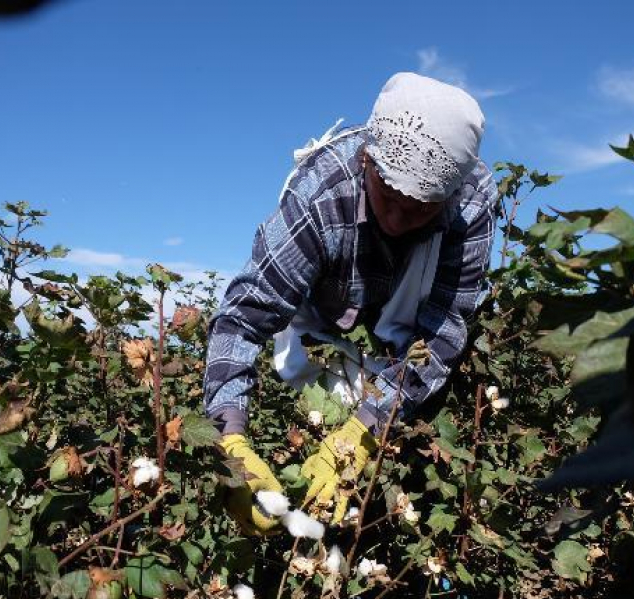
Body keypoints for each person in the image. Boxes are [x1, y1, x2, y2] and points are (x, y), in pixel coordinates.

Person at [203, 72, 498, 535]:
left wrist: (365, 429)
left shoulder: (471, 207)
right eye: (390, 197)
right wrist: (230, 434)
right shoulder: (320, 196)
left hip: (403, 344)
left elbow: (441, 332)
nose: (399, 220)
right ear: (367, 161)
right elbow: (243, 318)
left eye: (420, 208)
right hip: (320, 323)